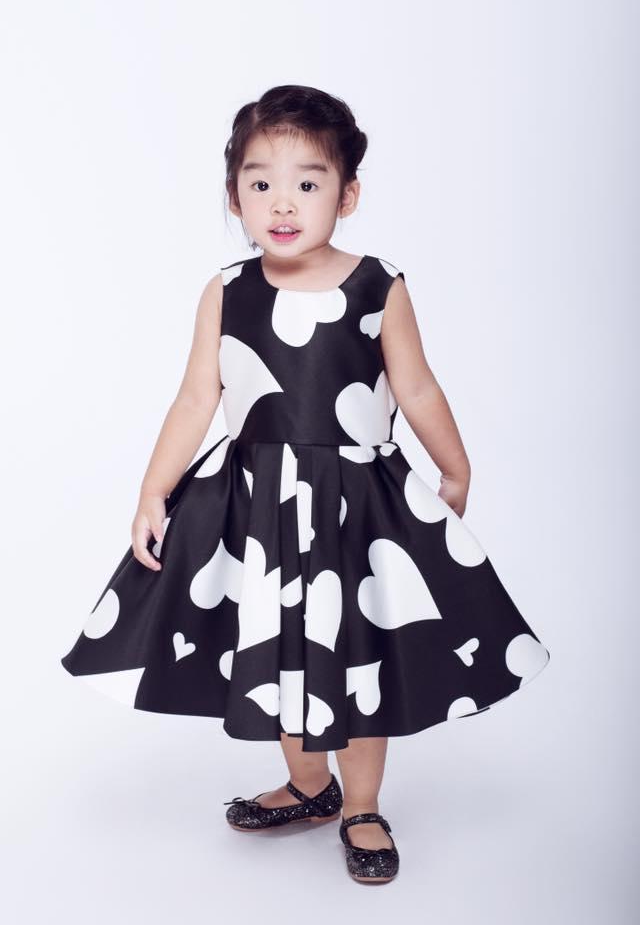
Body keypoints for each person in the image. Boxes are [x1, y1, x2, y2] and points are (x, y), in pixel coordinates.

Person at [60, 84, 550, 884]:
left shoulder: (377, 286)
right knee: (283, 649)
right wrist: (153, 489)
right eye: (260, 183)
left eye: (307, 182)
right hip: (257, 510)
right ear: (235, 197)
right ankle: (309, 785)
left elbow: (417, 387)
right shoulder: (228, 291)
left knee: (356, 653)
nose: (281, 202)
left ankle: (362, 804)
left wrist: (454, 467)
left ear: (346, 195)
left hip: (358, 510)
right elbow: (196, 398)